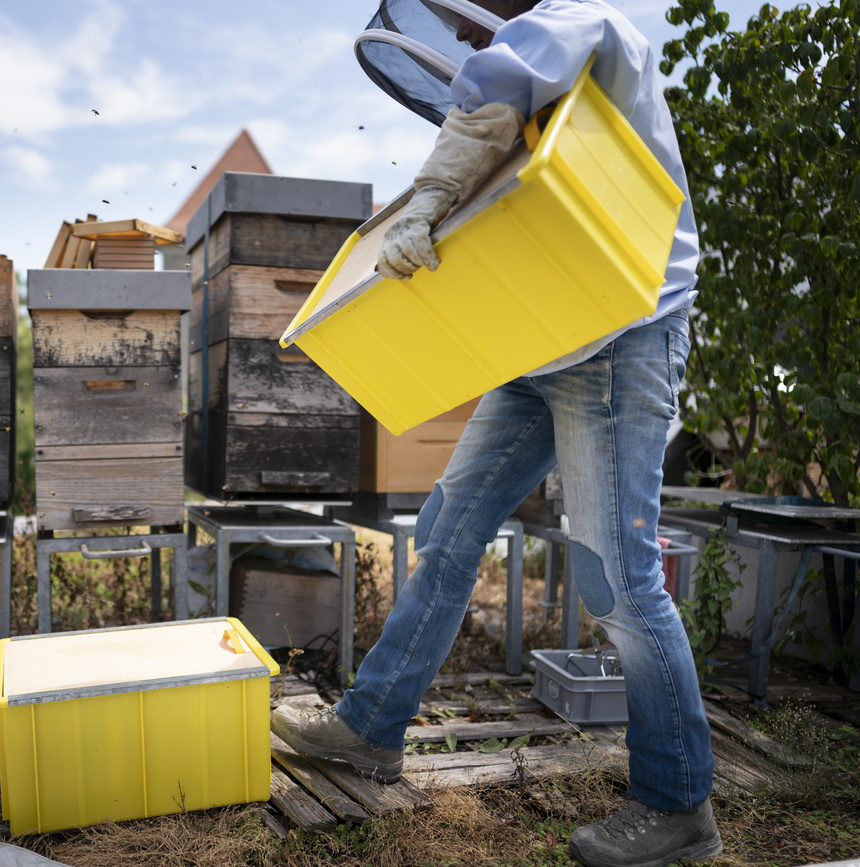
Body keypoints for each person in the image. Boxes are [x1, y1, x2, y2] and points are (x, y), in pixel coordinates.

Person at [271, 0, 721, 865]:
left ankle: (677, 806)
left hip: (622, 335)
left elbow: (503, 76)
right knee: (445, 533)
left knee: (618, 576)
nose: (467, 37)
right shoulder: (535, 61)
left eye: (468, 20)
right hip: (544, 338)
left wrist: (435, 192)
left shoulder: (584, 23)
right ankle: (369, 727)